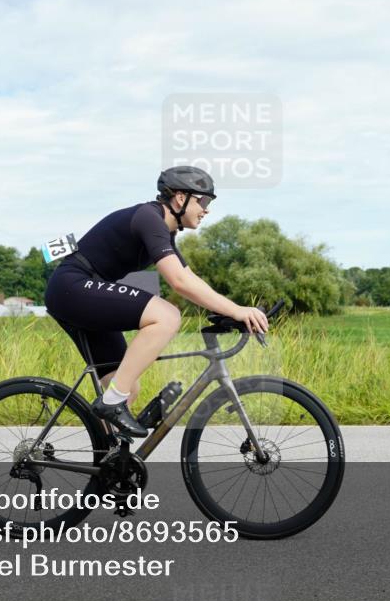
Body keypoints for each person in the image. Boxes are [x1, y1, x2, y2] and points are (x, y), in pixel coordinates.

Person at [44, 166, 269, 438]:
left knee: (128, 387)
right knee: (167, 316)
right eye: (204, 201)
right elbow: (179, 282)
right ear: (180, 198)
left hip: (78, 291)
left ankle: (108, 463)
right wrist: (237, 310)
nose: (206, 209)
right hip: (72, 286)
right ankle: (111, 402)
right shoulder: (149, 218)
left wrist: (231, 311)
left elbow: (189, 277)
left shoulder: (164, 232)